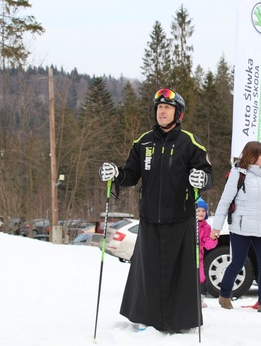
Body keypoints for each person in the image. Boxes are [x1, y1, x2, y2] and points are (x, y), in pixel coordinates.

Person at [98, 88, 213, 333]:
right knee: (148, 271)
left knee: (179, 274)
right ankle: (145, 317)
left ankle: (180, 322)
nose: (162, 111)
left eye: (167, 108)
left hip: (180, 218)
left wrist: (201, 178)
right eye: (159, 107)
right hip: (150, 218)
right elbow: (131, 174)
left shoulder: (190, 143)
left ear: (177, 113)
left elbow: (208, 175)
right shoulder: (143, 142)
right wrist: (116, 174)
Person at [211, 141, 261, 314]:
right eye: (260, 154)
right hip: (241, 227)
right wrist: (216, 227)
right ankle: (225, 295)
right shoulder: (238, 174)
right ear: (250, 156)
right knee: (238, 263)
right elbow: (224, 202)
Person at [196, 197, 217, 308]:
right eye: (198, 210)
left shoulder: (206, 227)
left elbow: (208, 246)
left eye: (203, 211)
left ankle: (200, 298)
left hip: (199, 258)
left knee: (201, 277)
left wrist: (212, 238)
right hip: (187, 257)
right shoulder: (189, 225)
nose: (201, 213)